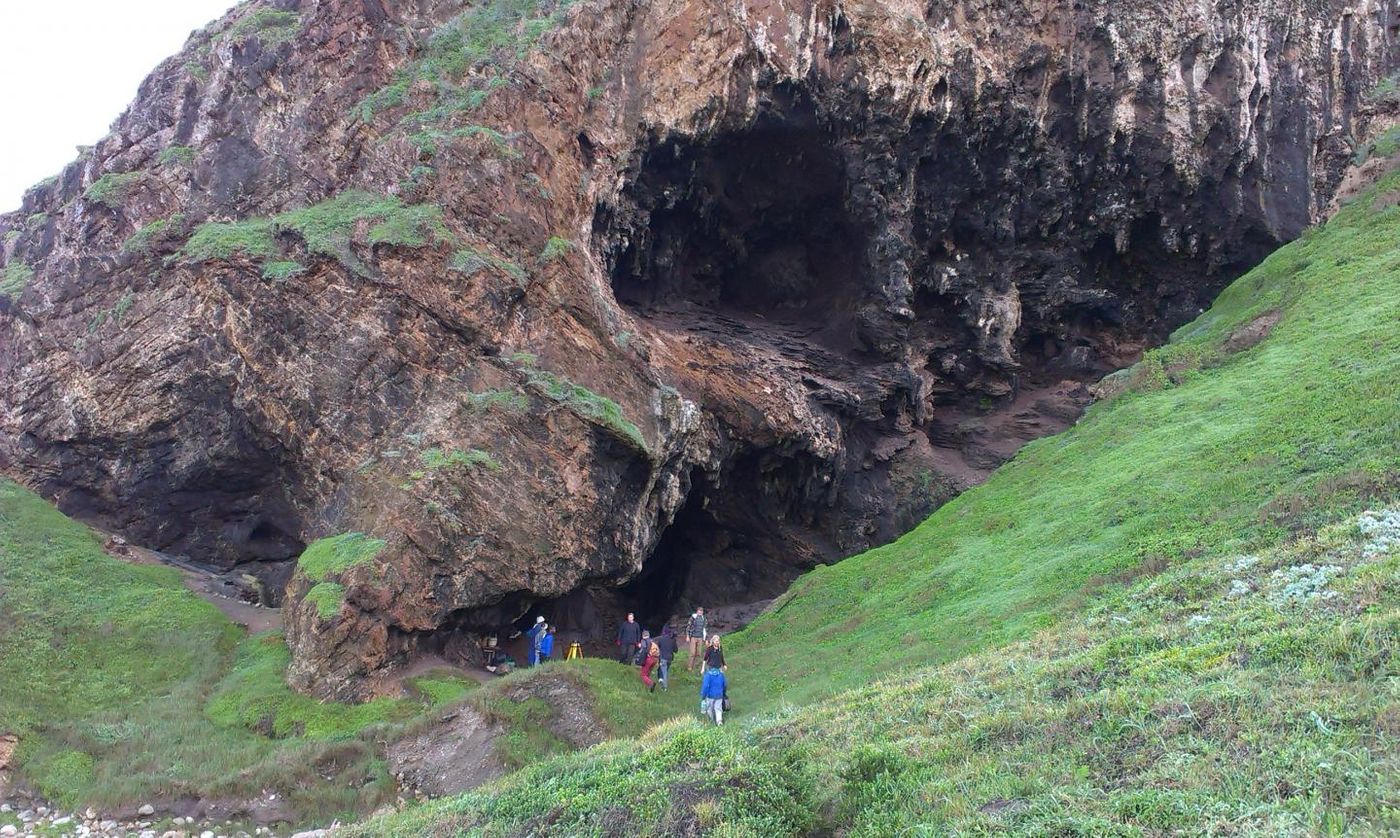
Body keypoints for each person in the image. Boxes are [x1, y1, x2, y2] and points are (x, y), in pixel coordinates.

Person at [685, 607, 707, 672]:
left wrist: (706, 639)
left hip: (700, 637)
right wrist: (687, 636)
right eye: (699, 611)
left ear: (702, 612)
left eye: (701, 611)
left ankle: (695, 666)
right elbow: (688, 627)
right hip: (693, 637)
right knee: (692, 652)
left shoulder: (704, 619)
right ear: (697, 611)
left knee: (699, 653)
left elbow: (705, 629)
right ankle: (689, 666)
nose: (700, 612)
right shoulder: (693, 618)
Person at [656, 626, 678, 690]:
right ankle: (661, 680)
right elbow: (676, 650)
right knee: (664, 671)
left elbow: (658, 647)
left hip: (663, 657)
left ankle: (663, 685)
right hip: (669, 658)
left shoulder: (661, 639)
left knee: (663, 671)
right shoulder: (673, 640)